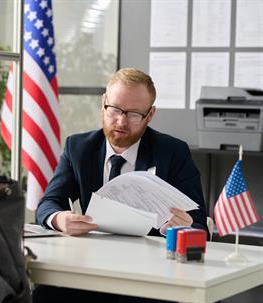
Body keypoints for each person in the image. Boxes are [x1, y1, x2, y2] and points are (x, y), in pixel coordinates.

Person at [33, 68, 207, 303]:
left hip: (149, 273)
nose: (121, 121)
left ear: (150, 114)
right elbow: (48, 204)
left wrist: (176, 228)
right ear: (104, 103)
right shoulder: (79, 148)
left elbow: (197, 222)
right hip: (90, 266)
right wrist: (59, 219)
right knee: (45, 293)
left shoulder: (172, 153)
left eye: (134, 114)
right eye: (114, 110)